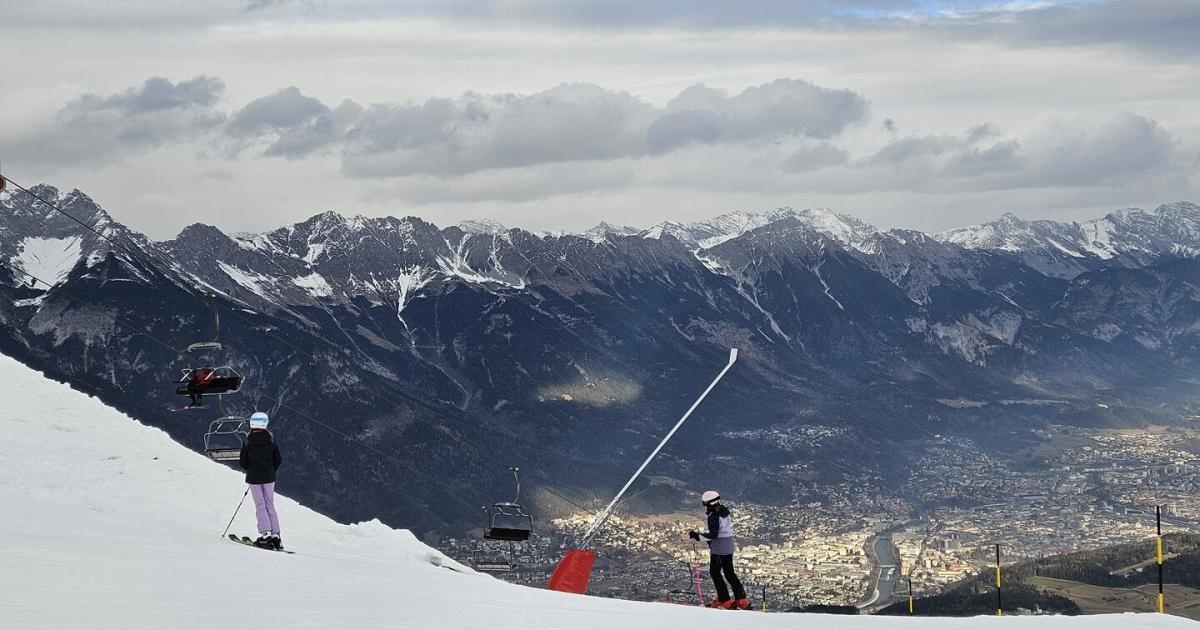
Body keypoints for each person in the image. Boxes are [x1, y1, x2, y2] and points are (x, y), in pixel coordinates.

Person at [688, 490, 749, 609]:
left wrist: (697, 536)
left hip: (719, 547)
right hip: (729, 544)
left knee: (715, 573)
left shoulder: (713, 516)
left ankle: (724, 600)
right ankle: (741, 600)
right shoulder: (724, 511)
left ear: (707, 504)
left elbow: (714, 534)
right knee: (729, 573)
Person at [239, 411, 283, 550]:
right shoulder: (271, 438)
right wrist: (270, 469)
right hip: (269, 476)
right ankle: (276, 536)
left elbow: (243, 461)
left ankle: (265, 535)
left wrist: (251, 469)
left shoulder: (247, 439)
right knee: (270, 504)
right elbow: (278, 458)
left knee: (260, 504)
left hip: (254, 477)